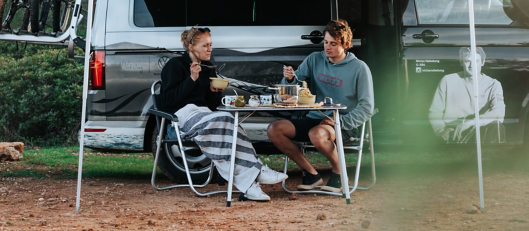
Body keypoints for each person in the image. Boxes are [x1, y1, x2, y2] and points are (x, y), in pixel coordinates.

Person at [159, 26, 287, 201]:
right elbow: (167, 101)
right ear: (191, 46)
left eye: (211, 44)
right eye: (205, 45)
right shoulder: (175, 65)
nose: (210, 49)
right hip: (182, 118)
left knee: (230, 122)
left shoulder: (208, 68)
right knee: (228, 120)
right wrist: (191, 79)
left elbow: (211, 106)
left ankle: (251, 184)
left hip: (205, 115)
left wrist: (215, 91)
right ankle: (257, 172)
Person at [266, 20, 374, 193]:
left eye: (333, 43)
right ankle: (311, 174)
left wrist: (340, 122)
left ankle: (340, 175)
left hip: (343, 123)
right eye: (325, 42)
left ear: (346, 45)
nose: (327, 47)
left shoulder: (359, 68)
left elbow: (367, 107)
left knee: (316, 134)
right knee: (274, 129)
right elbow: (293, 89)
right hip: (314, 118)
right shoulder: (314, 59)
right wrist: (289, 79)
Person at [427, 46, 506, 143]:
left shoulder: (493, 84)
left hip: (478, 130)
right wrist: (441, 131)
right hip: (452, 131)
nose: (472, 65)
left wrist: (471, 122)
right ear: (461, 62)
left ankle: (493, 155)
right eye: (467, 61)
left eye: (476, 61)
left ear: (482, 62)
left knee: (496, 125)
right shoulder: (447, 81)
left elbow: (499, 112)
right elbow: (435, 111)